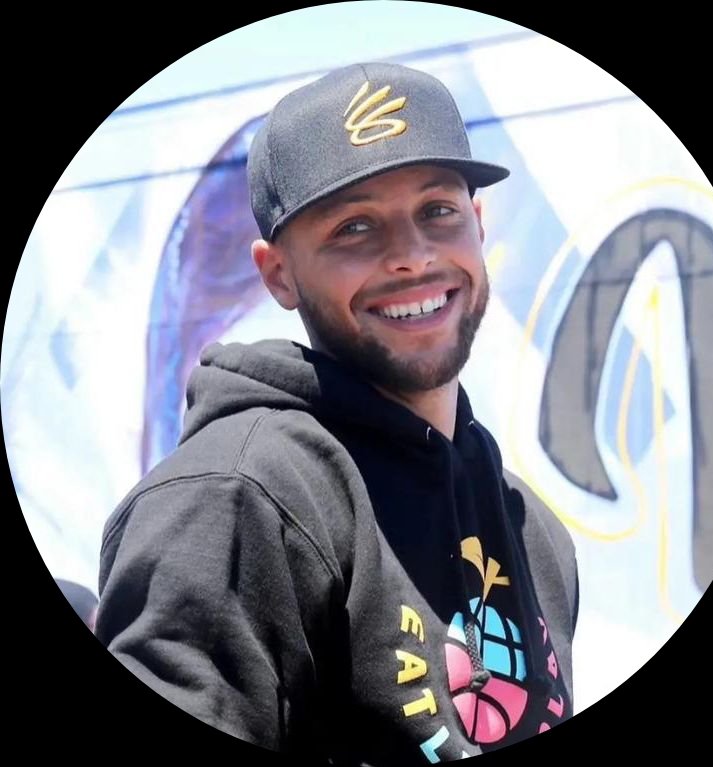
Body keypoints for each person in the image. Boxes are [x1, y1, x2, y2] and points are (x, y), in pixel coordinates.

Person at [97, 61, 579, 761]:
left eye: (437, 211)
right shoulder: (232, 499)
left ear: (477, 225)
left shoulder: (535, 531)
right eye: (355, 226)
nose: (412, 256)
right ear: (278, 275)